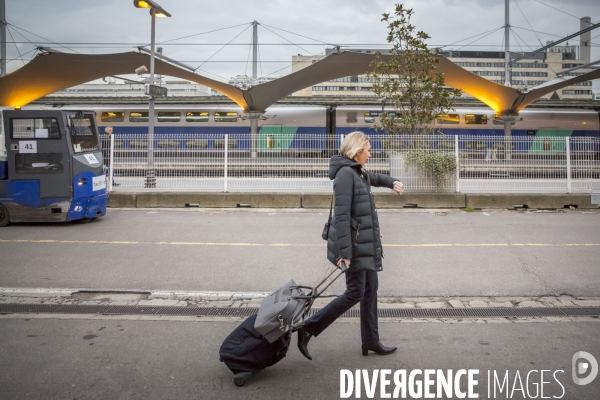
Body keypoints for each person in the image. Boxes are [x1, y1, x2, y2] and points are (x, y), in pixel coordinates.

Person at [298, 131, 403, 359]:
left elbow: (374, 177)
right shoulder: (346, 174)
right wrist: (345, 253)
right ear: (357, 152)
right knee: (355, 292)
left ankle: (371, 340)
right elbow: (342, 216)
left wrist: (392, 181)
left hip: (364, 246)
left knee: (370, 290)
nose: (370, 153)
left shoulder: (358, 171)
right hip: (355, 248)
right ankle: (309, 327)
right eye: (368, 149)